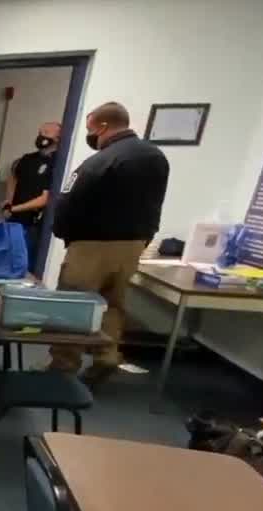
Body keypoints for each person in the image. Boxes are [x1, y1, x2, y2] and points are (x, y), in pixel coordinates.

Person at [49, 102, 169, 387]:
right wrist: (145, 238)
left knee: (73, 305)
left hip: (91, 246)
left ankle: (63, 366)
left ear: (103, 126)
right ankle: (107, 357)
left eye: (91, 129)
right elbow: (155, 205)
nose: (91, 135)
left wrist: (62, 232)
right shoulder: (156, 157)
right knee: (113, 305)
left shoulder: (100, 161)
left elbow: (69, 203)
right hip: (132, 246)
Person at [3, 121, 63, 270]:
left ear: (58, 138)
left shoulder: (59, 163)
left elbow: (46, 198)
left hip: (34, 224)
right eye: (40, 132)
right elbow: (13, 177)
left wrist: (16, 208)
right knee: (6, 261)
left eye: (47, 133)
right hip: (14, 219)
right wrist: (9, 202)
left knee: (25, 266)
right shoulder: (27, 159)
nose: (41, 136)